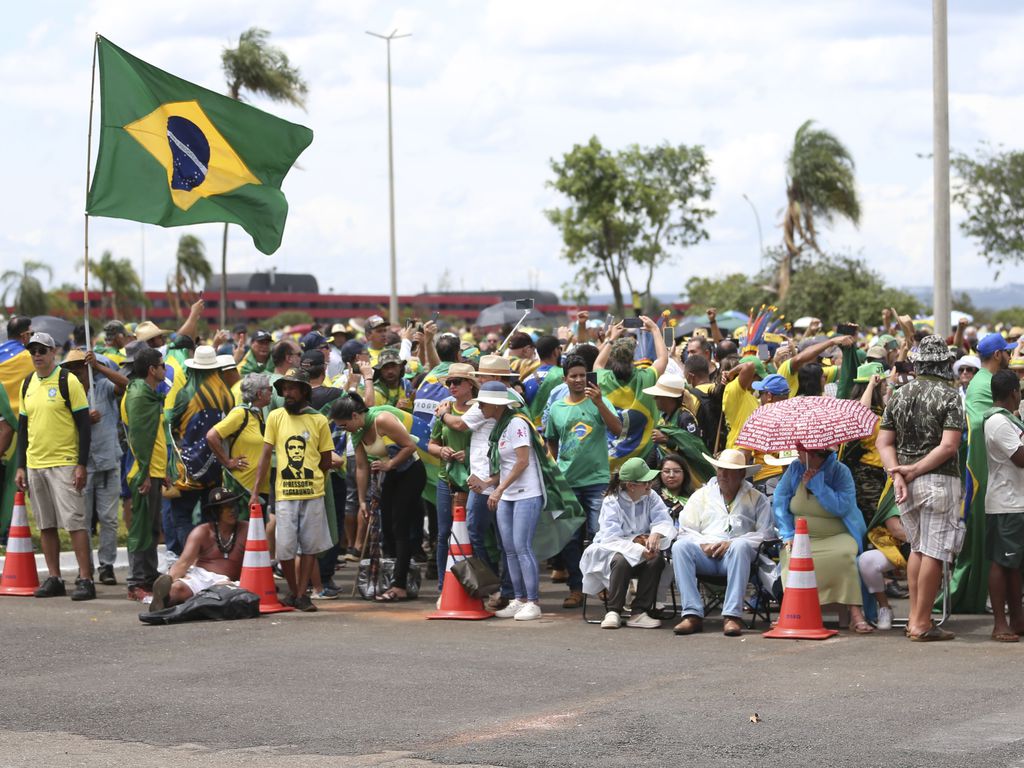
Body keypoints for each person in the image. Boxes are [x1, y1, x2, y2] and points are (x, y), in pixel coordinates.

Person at [877, 334, 966, 641]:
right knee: (935, 550)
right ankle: (921, 622)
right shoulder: (950, 395)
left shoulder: (899, 393)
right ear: (944, 363)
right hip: (938, 479)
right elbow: (949, 446)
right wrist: (912, 470)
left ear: (918, 363)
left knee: (917, 547)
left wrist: (898, 473)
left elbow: (884, 441)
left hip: (904, 483)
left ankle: (916, 617)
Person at [15, 332, 94, 601]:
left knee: (74, 523)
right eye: (33, 351)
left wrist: (81, 464)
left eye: (42, 350)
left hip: (65, 463)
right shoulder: (27, 384)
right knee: (46, 525)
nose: (37, 355)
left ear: (53, 352)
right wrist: (21, 466)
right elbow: (23, 428)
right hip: (36, 464)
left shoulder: (67, 381)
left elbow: (84, 426)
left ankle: (85, 579)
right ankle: (55, 577)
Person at [250, 370, 334, 612]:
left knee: (310, 547)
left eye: (292, 389)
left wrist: (316, 480)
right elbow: (266, 455)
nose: (287, 393)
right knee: (285, 548)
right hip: (284, 494)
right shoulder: (275, 417)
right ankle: (294, 589)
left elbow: (326, 460)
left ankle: (300, 594)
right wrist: (256, 491)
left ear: (304, 392)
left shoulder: (318, 420)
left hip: (313, 493)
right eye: (284, 389)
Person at [332, 392, 427, 603]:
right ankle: (391, 577)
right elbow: (361, 467)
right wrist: (363, 501)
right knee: (387, 527)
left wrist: (389, 465)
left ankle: (400, 585)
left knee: (400, 525)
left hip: (410, 471)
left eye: (343, 425)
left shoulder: (381, 419)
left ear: (355, 416)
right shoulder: (356, 432)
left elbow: (410, 446)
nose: (342, 429)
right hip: (390, 473)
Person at [545, 353, 623, 608]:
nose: (578, 380)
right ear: (565, 379)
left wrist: (600, 403)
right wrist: (557, 469)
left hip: (598, 482)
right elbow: (551, 440)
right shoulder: (557, 408)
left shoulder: (601, 401)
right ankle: (576, 588)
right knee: (569, 539)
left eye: (582, 375)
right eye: (573, 376)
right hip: (567, 483)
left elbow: (617, 429)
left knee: (600, 534)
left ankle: (601, 586)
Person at [671, 449, 774, 636]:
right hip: (706, 555)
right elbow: (685, 530)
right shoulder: (701, 495)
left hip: (738, 559)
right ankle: (692, 614)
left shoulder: (757, 498)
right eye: (720, 469)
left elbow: (766, 534)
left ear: (742, 474)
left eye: (729, 470)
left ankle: (732, 616)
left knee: (741, 546)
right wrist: (703, 543)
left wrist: (732, 543)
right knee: (680, 547)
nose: (723, 474)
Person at [947, 332, 1014, 613]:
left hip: (993, 469)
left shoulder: (981, 382)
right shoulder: (984, 384)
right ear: (998, 354)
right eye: (1007, 351)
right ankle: (990, 598)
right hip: (990, 473)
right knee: (995, 545)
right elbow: (979, 427)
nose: (1011, 356)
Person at [773, 447, 872, 633]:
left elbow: (843, 507)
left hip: (837, 536)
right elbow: (780, 501)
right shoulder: (795, 469)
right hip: (802, 538)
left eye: (800, 451)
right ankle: (790, 613)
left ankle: (856, 613)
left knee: (844, 556)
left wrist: (818, 485)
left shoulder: (840, 471)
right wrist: (788, 534)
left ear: (812, 454)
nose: (797, 454)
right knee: (791, 557)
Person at [473, 382, 545, 621]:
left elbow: (522, 461)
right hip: (508, 493)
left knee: (522, 547)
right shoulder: (500, 427)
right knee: (511, 549)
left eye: (482, 403)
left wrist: (498, 488)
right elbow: (505, 466)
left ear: (495, 404)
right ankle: (520, 599)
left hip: (526, 493)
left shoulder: (516, 423)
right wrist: (487, 484)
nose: (480, 407)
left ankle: (533, 601)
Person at [580, 457, 675, 629]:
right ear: (632, 485)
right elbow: (611, 538)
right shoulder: (612, 501)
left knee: (656, 560)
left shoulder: (651, 497)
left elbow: (664, 519)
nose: (650, 485)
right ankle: (613, 610)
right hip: (610, 551)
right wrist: (637, 547)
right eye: (646, 482)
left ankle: (639, 612)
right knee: (622, 560)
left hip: (642, 547)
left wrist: (656, 533)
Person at [61, 349, 128, 586]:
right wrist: (83, 420)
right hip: (83, 465)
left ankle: (106, 565)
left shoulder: (104, 387)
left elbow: (125, 385)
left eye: (80, 368)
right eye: (72, 369)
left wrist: (100, 367)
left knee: (109, 519)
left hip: (108, 460)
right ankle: (85, 567)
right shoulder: (67, 395)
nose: (77, 373)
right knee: (83, 520)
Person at [167, 345, 235, 558]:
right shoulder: (227, 394)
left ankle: (191, 558)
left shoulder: (186, 393)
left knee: (182, 516)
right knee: (210, 515)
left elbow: (171, 422)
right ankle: (211, 558)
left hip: (187, 467)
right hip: (215, 465)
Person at [149, 487, 250, 611]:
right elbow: (183, 563)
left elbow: (257, 564)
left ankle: (198, 600)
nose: (233, 510)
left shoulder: (247, 529)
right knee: (178, 588)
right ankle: (164, 600)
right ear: (216, 511)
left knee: (234, 593)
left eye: (234, 505)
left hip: (230, 583)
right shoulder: (201, 532)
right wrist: (170, 579)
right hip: (202, 578)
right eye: (227, 507)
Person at [121, 347, 169, 601]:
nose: (164, 369)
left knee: (151, 528)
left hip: (154, 469)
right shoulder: (139, 395)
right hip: (144, 471)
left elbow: (156, 435)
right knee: (141, 529)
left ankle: (148, 578)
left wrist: (163, 470)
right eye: (161, 365)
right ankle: (136, 582)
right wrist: (148, 474)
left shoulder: (148, 392)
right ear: (152, 369)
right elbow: (140, 440)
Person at [427, 362, 478, 596]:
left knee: (475, 532)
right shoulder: (443, 409)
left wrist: (470, 454)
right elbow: (432, 444)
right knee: (443, 532)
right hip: (446, 478)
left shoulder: (480, 409)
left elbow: (489, 444)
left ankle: (476, 585)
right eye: (449, 382)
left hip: (474, 479)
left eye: (457, 382)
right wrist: (443, 451)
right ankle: (443, 587)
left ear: (471, 385)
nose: (452, 386)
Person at [593, 316, 669, 470]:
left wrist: (611, 338)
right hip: (640, 461)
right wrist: (655, 329)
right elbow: (663, 358)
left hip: (610, 460)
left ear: (613, 357)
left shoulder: (603, 379)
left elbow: (598, 363)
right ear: (633, 357)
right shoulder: (646, 378)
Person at [982, 369, 1024, 642]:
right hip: (1006, 503)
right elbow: (1020, 458)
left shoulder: (1009, 420)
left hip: (1014, 501)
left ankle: (1017, 619)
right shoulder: (999, 422)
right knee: (1001, 562)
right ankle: (1000, 624)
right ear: (1013, 393)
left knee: (1014, 565)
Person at [373, 347, 413, 412]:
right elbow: (375, 419)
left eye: (393, 366)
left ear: (400, 367)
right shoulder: (376, 393)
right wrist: (396, 410)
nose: (390, 371)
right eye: (385, 367)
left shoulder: (406, 386)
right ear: (380, 370)